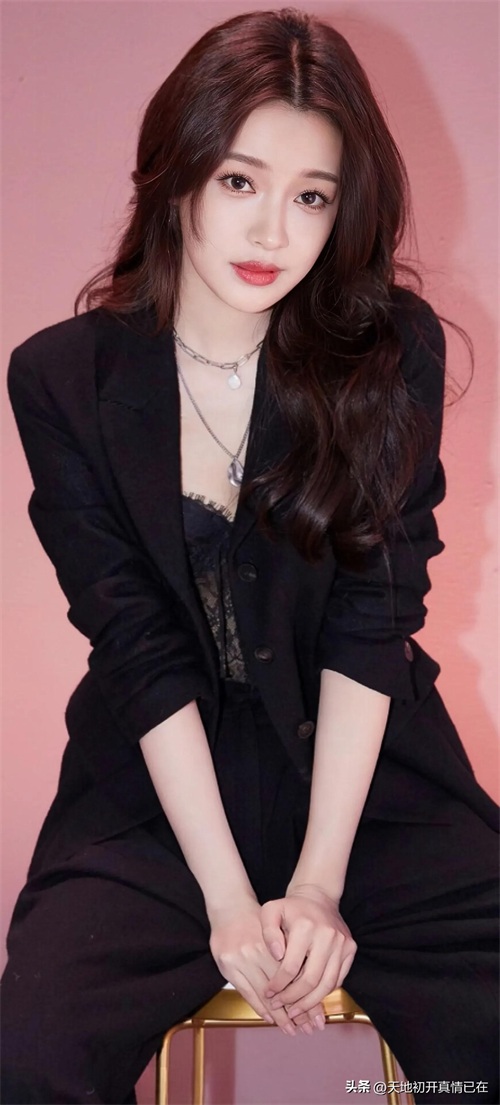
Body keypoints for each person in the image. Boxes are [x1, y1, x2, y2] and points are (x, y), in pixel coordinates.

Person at [1, 8, 498, 1104]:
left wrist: (317, 882)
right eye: (239, 180)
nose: (272, 227)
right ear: (175, 173)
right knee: (32, 1052)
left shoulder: (391, 353)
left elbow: (374, 622)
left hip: (367, 774)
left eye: (312, 196)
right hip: (156, 786)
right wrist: (228, 900)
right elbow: (134, 643)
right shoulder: (61, 379)